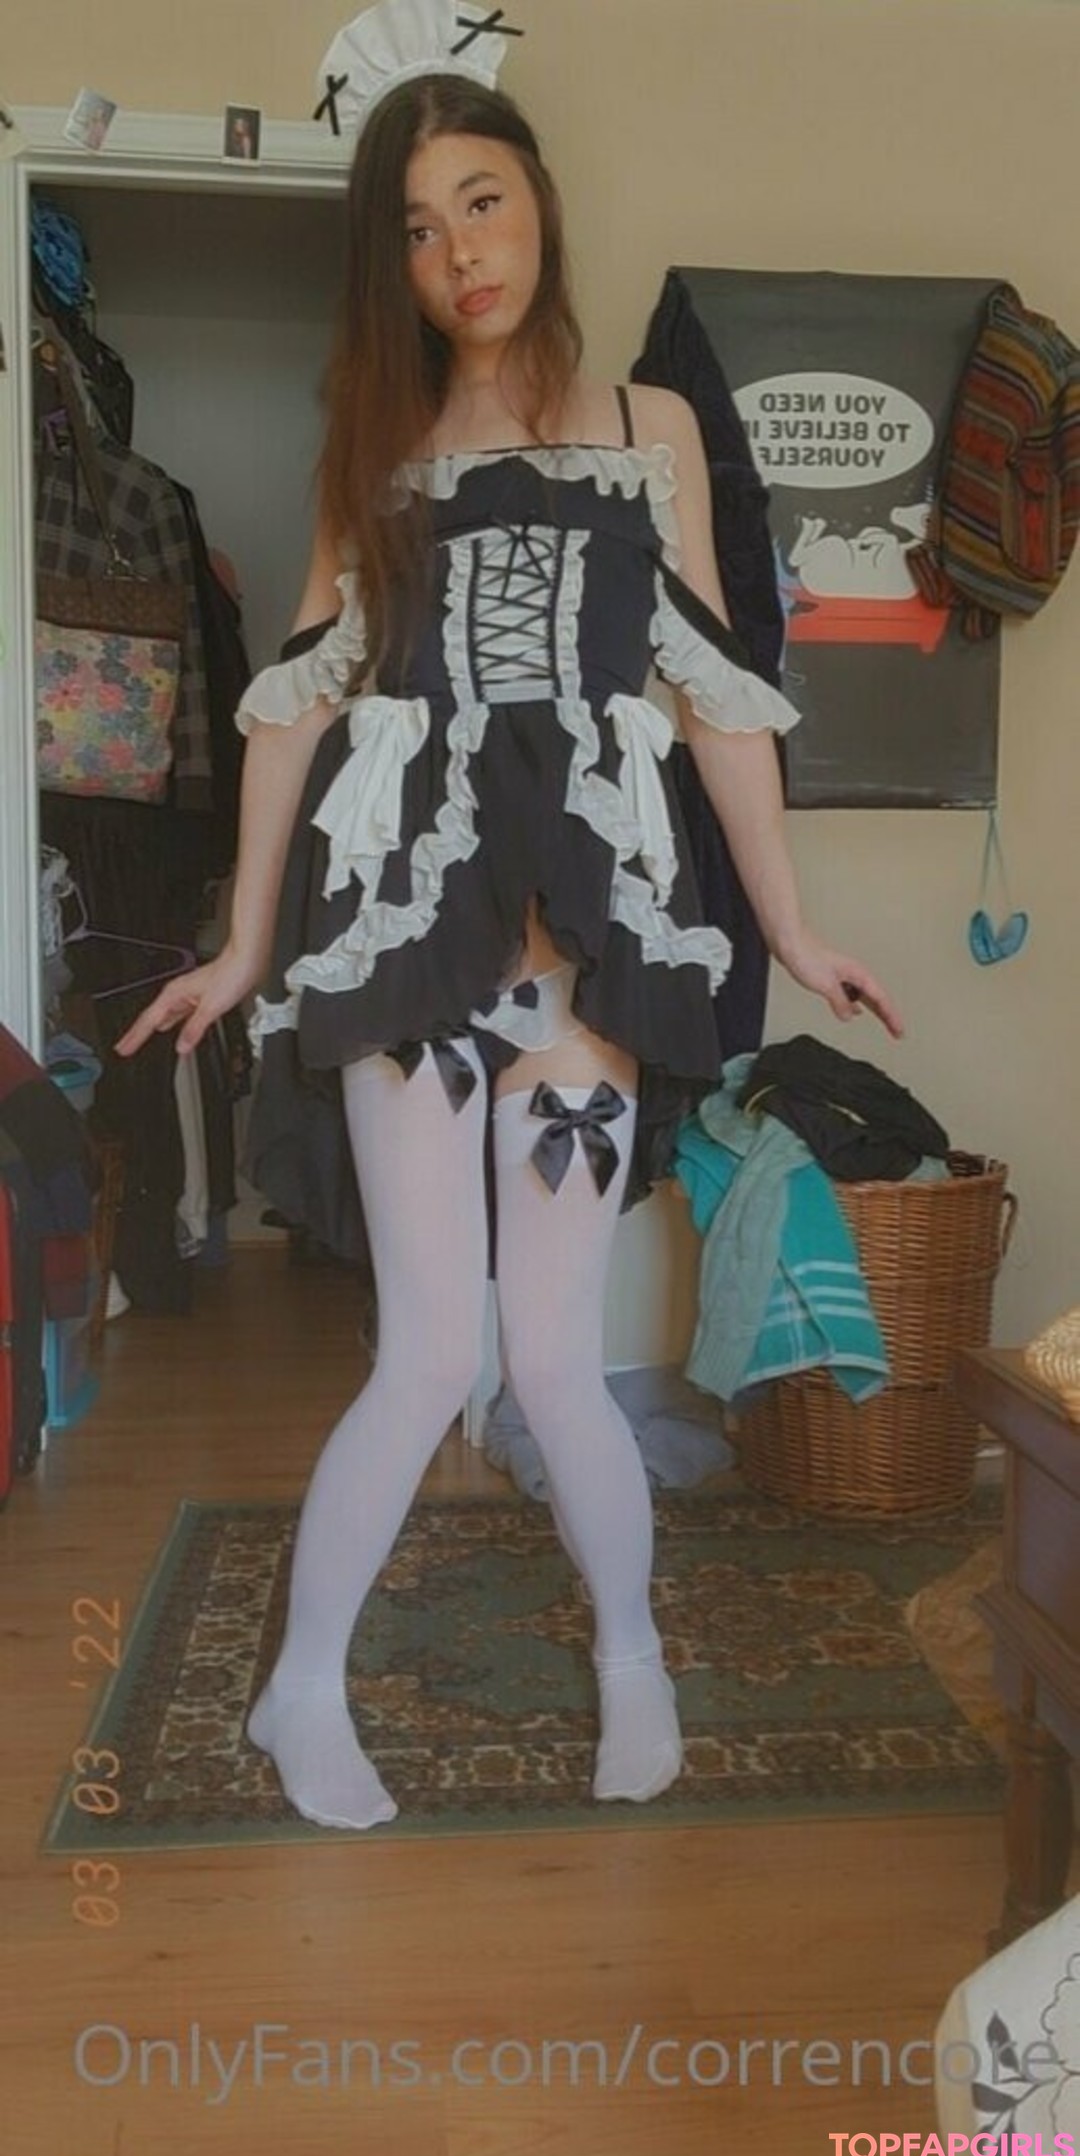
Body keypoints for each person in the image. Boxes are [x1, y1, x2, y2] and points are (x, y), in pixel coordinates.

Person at [117, 0, 902, 1832]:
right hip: (410, 937)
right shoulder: (373, 443)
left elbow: (717, 694)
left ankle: (633, 1658)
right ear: (389, 261)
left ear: (537, 197)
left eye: (480, 200)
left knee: (554, 1361)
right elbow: (293, 707)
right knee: (431, 1354)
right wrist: (243, 943)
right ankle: (301, 1691)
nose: (458, 250)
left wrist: (789, 924)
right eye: (415, 225)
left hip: (586, 955)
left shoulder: (652, 428)